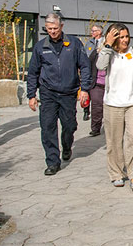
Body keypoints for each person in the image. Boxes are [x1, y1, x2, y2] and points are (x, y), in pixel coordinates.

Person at [26, 12, 91, 175]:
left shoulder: (74, 44)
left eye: (55, 28)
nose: (53, 31)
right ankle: (53, 161)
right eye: (49, 29)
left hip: (69, 92)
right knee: (47, 127)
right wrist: (31, 95)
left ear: (61, 26)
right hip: (48, 93)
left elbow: (85, 66)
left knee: (69, 125)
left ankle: (67, 145)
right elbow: (33, 72)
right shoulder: (40, 47)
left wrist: (84, 89)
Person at [96, 23, 133, 192]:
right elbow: (100, 66)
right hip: (112, 104)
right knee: (114, 142)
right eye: (121, 37)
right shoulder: (107, 52)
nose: (125, 40)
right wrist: (107, 44)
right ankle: (117, 174)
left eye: (127, 36)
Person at [84, 24, 103, 122]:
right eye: (91, 31)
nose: (92, 33)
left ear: (99, 32)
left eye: (94, 31)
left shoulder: (104, 43)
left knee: (97, 100)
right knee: (87, 93)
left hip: (100, 74)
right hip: (89, 71)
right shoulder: (89, 43)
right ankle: (86, 111)